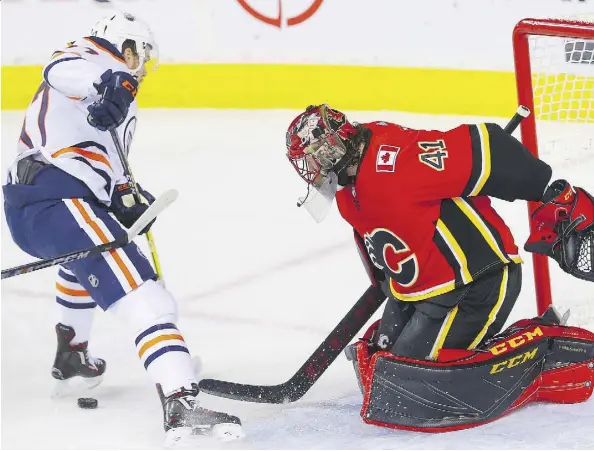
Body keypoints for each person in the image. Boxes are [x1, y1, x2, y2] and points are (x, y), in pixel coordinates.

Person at [2, 11, 243, 444]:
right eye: (140, 56)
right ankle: (180, 399)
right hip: (53, 199)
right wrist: (111, 80)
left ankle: (72, 354)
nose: (141, 67)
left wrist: (125, 196)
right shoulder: (91, 59)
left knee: (80, 262)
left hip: (44, 205)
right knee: (143, 294)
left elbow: (103, 167)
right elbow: (59, 67)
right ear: (124, 46)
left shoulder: (112, 101)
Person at [285, 104, 594, 430]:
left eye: (312, 158)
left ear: (332, 148)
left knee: (408, 382)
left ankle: (545, 341)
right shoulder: (350, 185)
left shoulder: (398, 161)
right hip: (421, 289)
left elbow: (488, 146)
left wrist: (551, 193)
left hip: (477, 281)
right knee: (382, 365)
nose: (311, 170)